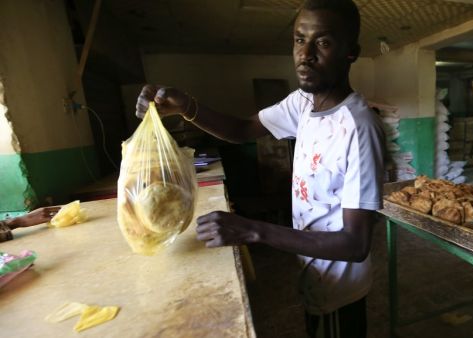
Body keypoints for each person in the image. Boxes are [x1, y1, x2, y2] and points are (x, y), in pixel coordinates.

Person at [136, 1, 384, 337]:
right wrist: (184, 107)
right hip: (313, 275)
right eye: (299, 40)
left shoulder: (358, 128)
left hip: (338, 289)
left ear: (351, 52)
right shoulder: (303, 103)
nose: (305, 54)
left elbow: (355, 245)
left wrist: (254, 230)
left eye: (322, 43)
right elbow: (241, 131)